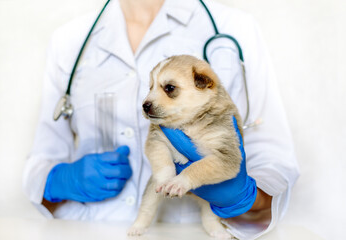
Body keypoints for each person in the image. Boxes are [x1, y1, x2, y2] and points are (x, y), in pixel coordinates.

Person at [22, 0, 299, 239]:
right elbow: (40, 164)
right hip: (89, 230)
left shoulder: (234, 29)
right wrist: (58, 181)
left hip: (192, 232)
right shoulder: (70, 40)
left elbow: (276, 163)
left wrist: (241, 198)